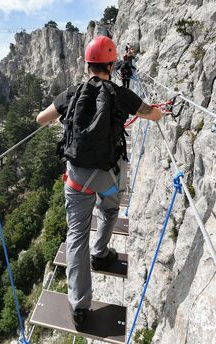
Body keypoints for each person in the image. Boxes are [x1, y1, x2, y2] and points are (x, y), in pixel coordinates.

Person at [36, 35, 164, 328]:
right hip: (107, 176)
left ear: (88, 64)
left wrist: (63, 113)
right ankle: (101, 253)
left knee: (76, 235)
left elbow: (41, 119)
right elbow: (153, 115)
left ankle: (79, 308)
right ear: (111, 63)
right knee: (108, 209)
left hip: (77, 179)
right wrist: (159, 110)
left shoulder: (72, 93)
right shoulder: (120, 94)